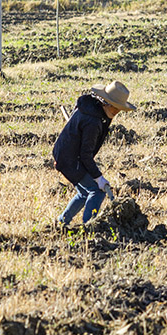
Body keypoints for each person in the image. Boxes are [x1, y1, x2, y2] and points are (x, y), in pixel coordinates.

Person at [53, 80, 136, 227]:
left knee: (84, 193)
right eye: (114, 108)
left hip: (65, 153)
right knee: (96, 191)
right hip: (70, 159)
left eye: (119, 109)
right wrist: (98, 178)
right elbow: (85, 154)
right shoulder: (93, 122)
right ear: (105, 102)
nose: (116, 112)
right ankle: (90, 226)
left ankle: (62, 222)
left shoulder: (89, 107)